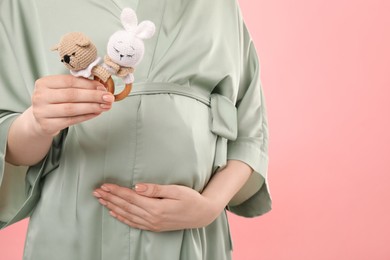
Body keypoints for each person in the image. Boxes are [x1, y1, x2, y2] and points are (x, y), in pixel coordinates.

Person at [0, 0, 271, 259]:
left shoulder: (219, 5)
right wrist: (36, 122)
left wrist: (209, 207)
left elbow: (249, 131)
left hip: (191, 236)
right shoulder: (21, 4)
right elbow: (9, 139)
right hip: (74, 226)